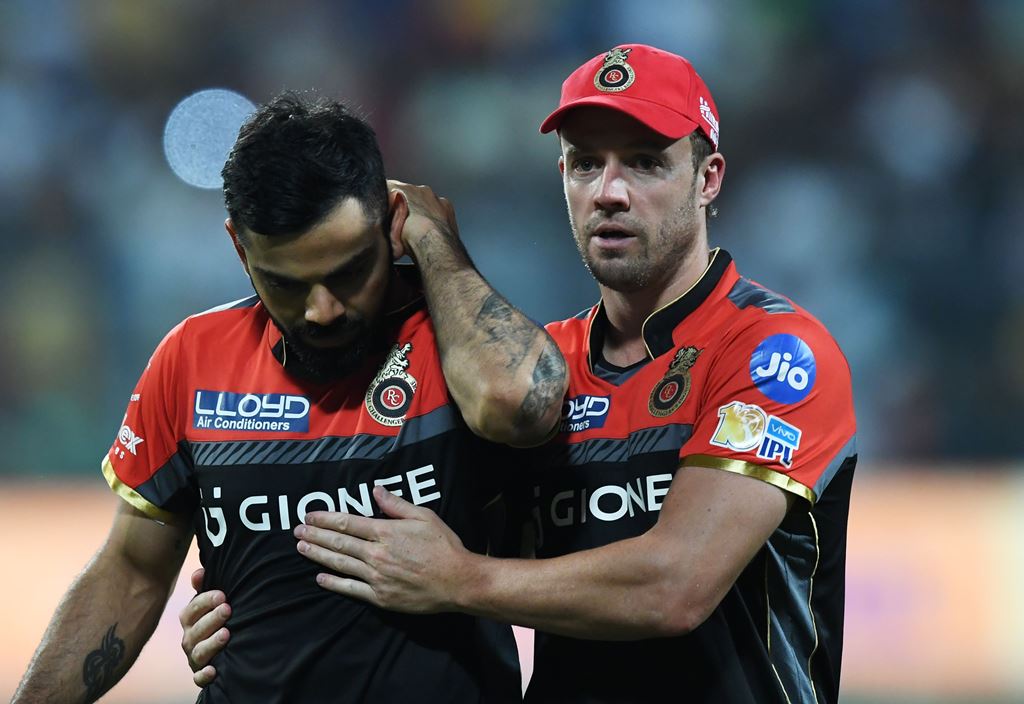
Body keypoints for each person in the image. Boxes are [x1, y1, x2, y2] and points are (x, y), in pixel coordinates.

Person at [181, 44, 858, 704]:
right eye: (585, 164)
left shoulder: (773, 351)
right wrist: (248, 615)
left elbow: (674, 587)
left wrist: (463, 581)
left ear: (708, 179)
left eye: (646, 163)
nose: (609, 192)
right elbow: (405, 543)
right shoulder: (544, 372)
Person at [12, 93, 567, 704]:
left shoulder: (458, 351)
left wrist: (437, 244)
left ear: (393, 222)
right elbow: (132, 570)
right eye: (284, 282)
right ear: (239, 248)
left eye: (350, 271)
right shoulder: (193, 358)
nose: (321, 309)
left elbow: (523, 403)